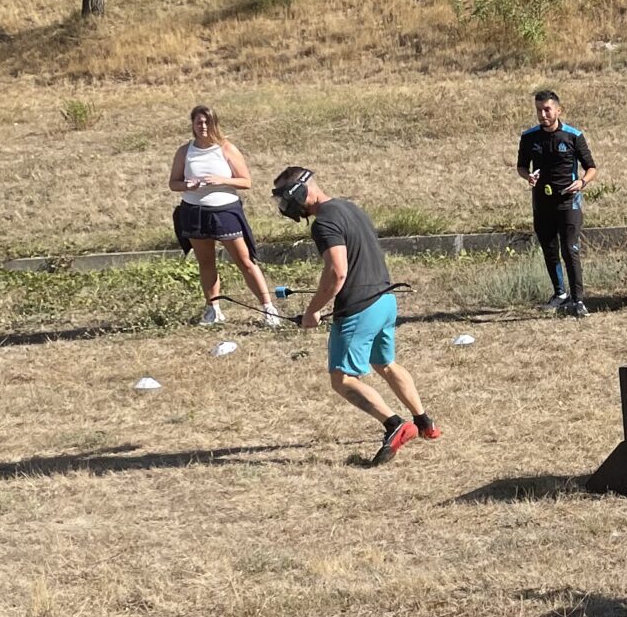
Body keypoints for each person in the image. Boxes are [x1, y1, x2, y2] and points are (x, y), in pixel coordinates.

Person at [272, 167, 440, 464]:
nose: (286, 207)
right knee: (385, 364)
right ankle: (425, 423)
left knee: (343, 379)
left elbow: (338, 272)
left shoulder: (323, 223)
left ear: (300, 192)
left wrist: (313, 311)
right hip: (385, 300)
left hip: (359, 308)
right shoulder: (349, 207)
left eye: (286, 198)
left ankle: (395, 425)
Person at [168, 105, 283, 328]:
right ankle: (214, 310)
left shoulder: (226, 148)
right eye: (198, 122)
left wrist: (222, 180)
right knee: (206, 263)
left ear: (214, 124)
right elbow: (173, 183)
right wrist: (186, 185)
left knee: (245, 261)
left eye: (206, 122)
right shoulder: (184, 151)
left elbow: (246, 181)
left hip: (224, 211)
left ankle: (269, 308)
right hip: (194, 211)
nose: (202, 126)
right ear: (192, 125)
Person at [517, 89, 598, 316]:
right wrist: (528, 176)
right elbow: (522, 166)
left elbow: (592, 168)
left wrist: (582, 183)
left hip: (568, 203)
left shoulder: (573, 136)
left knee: (570, 250)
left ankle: (578, 300)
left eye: (547, 109)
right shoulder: (529, 137)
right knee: (549, 250)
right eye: (539, 110)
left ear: (558, 110)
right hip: (542, 204)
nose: (543, 114)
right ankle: (559, 293)